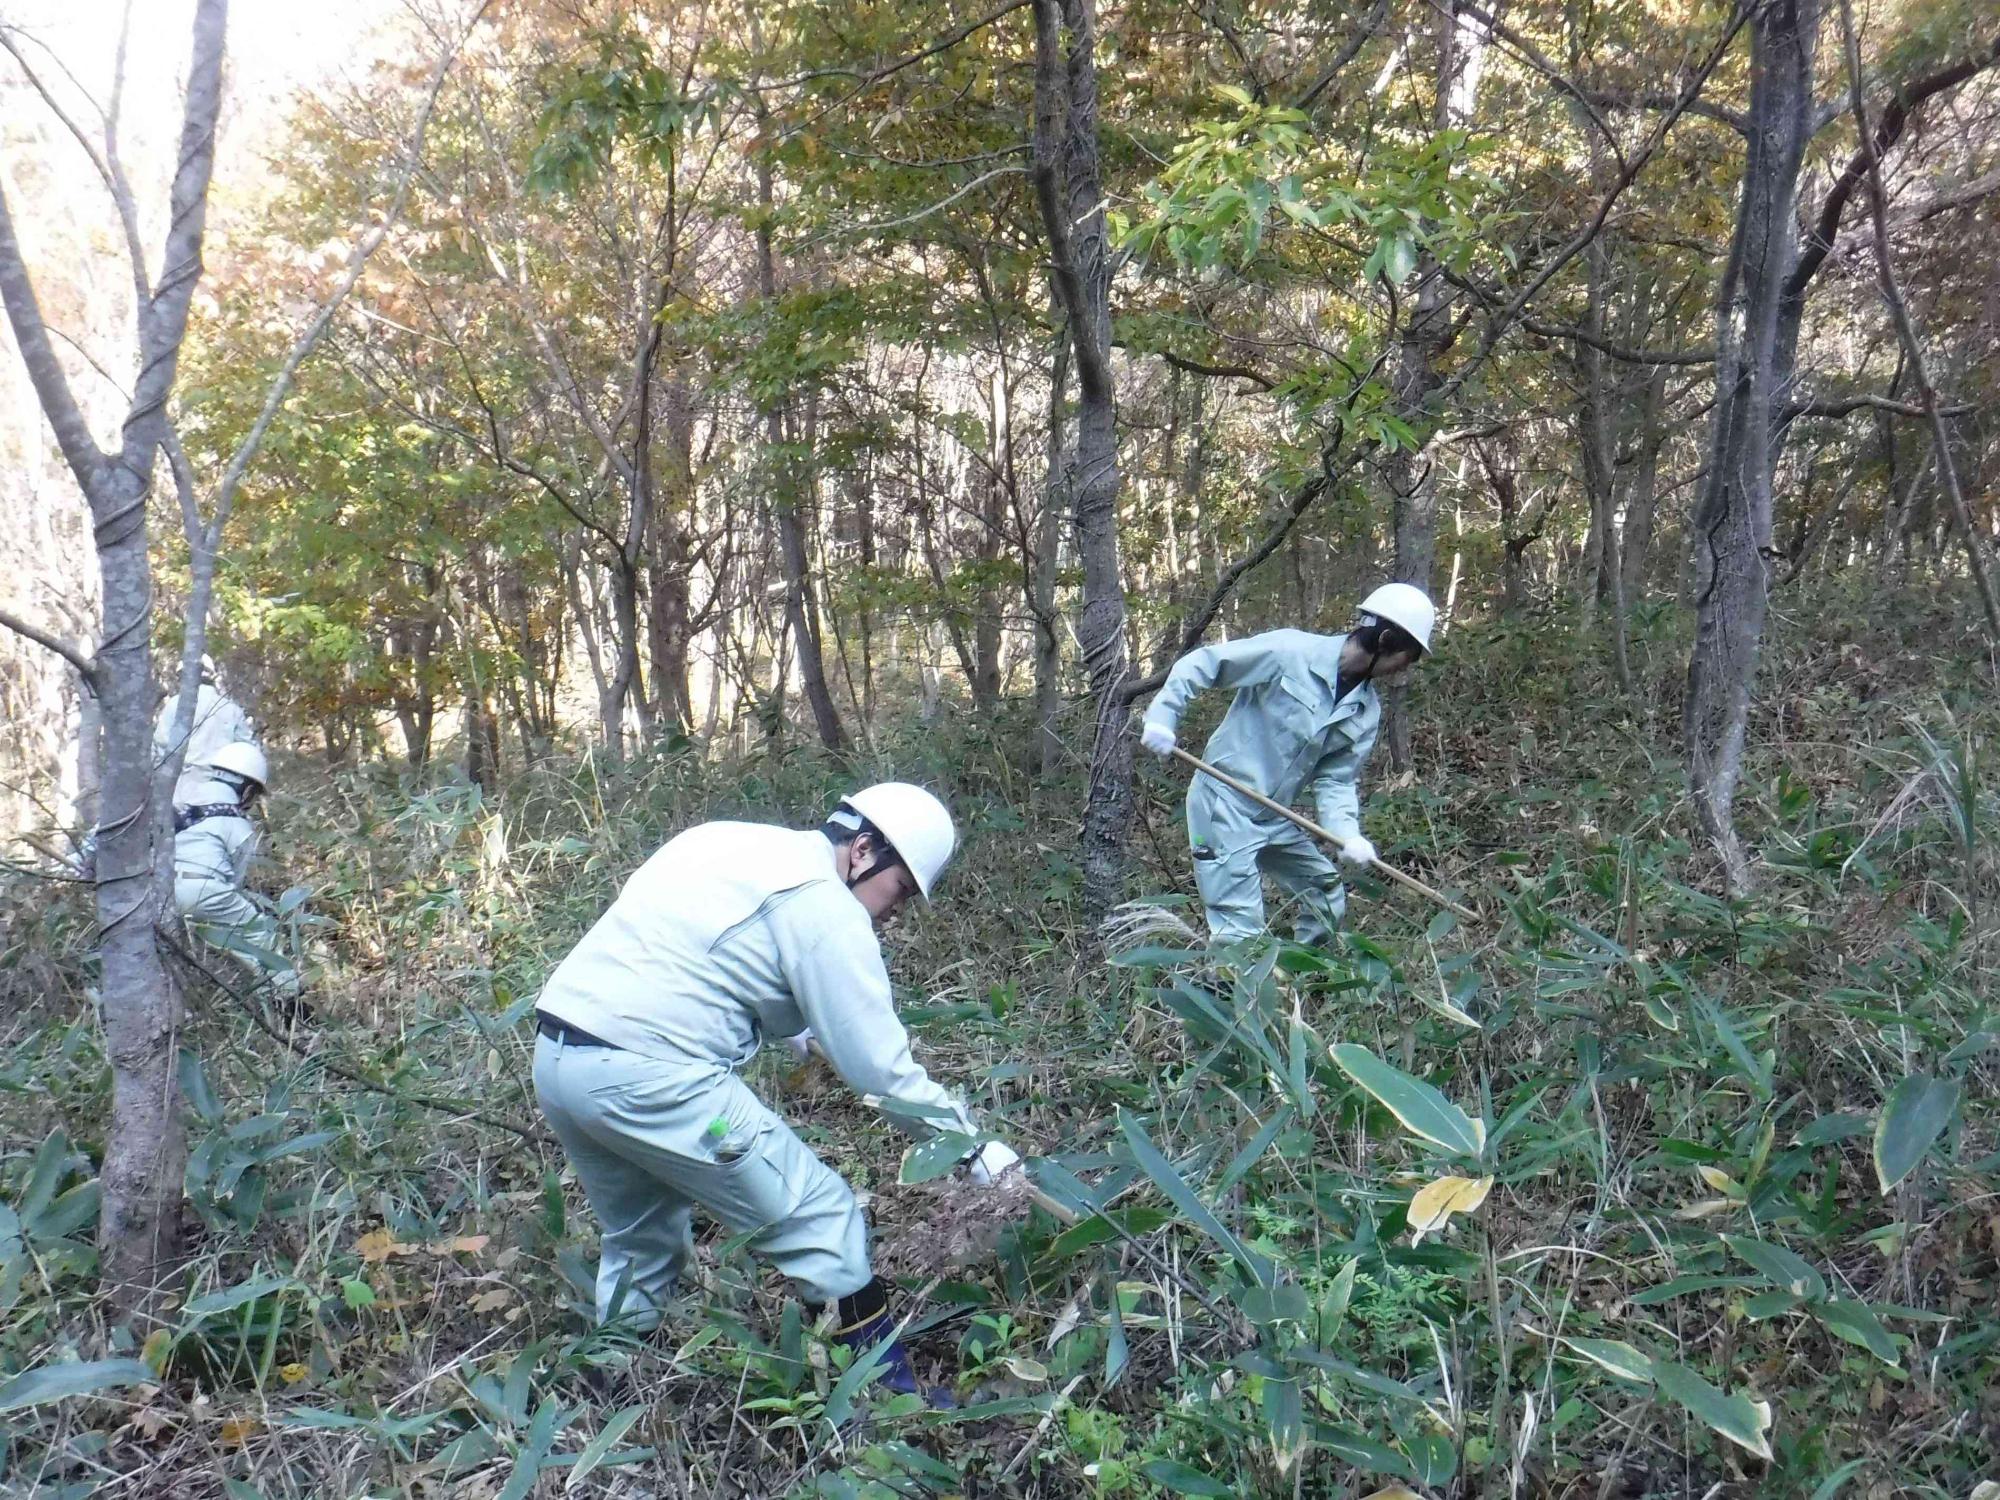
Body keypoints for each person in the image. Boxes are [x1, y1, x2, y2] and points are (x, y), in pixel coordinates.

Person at [530, 783, 1021, 1401]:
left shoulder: (724, 839)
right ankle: (892, 1401)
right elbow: (883, 1072)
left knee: (642, 1236)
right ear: (864, 851)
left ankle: (608, 1390)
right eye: (900, 890)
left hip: (560, 1061)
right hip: (656, 1079)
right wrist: (971, 1149)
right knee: (823, 1219)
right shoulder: (824, 906)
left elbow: (697, 949)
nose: (895, 912)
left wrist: (801, 1025)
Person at [1138, 584, 1435, 946]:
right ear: (1386, 640)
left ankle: (1299, 981)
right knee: (1239, 931)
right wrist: (1163, 716)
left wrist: (1346, 833)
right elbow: (1205, 664)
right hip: (1222, 804)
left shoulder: (1364, 712)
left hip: (1274, 815)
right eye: (1406, 657)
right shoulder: (1290, 651)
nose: (1403, 669)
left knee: (1325, 893)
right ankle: (1232, 996)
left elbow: (1336, 781)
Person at [172, 740, 301, 1003]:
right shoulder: (237, 825)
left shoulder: (182, 799)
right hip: (207, 890)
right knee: (259, 933)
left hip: (164, 890)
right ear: (247, 789)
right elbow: (238, 880)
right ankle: (288, 1000)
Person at [155, 654, 254, 802]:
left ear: (183, 675)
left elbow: (160, 747)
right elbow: (248, 751)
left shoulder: (175, 705)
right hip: (222, 790)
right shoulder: (231, 708)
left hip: (181, 790)